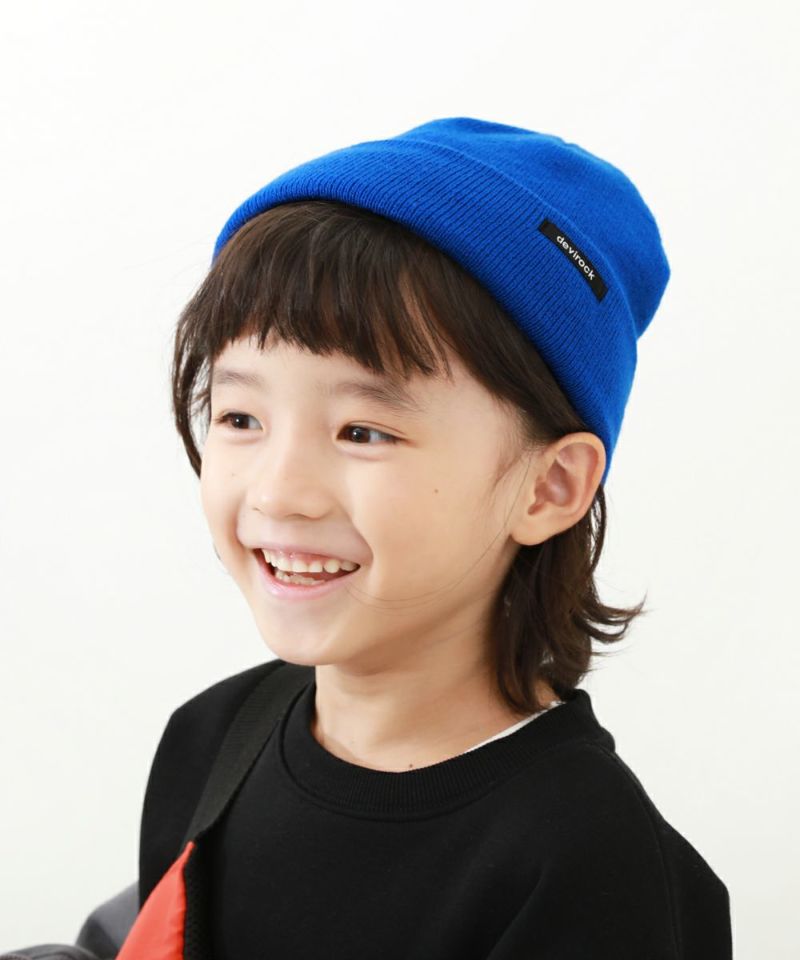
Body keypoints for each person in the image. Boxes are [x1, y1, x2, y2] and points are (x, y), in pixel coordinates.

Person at [137, 116, 732, 958]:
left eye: (362, 431)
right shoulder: (213, 738)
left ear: (550, 487)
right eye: (240, 417)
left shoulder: (593, 868)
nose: (277, 491)